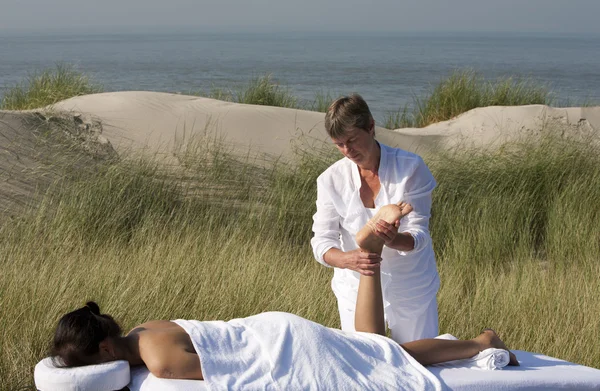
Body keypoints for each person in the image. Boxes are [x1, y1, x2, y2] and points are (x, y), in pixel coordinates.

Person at [50, 202, 517, 385]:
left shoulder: (158, 360)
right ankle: (369, 260)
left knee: (385, 356)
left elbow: (241, 379)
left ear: (106, 349)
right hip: (269, 326)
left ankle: (481, 343)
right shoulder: (144, 328)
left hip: (283, 346)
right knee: (377, 348)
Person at [311, 93, 439, 343]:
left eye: (352, 140)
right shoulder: (330, 179)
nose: (347, 151)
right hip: (355, 290)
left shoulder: (411, 168)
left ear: (370, 127)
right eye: (339, 144)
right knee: (365, 366)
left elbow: (419, 234)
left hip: (411, 287)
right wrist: (347, 259)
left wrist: (394, 240)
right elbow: (321, 242)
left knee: (421, 366)